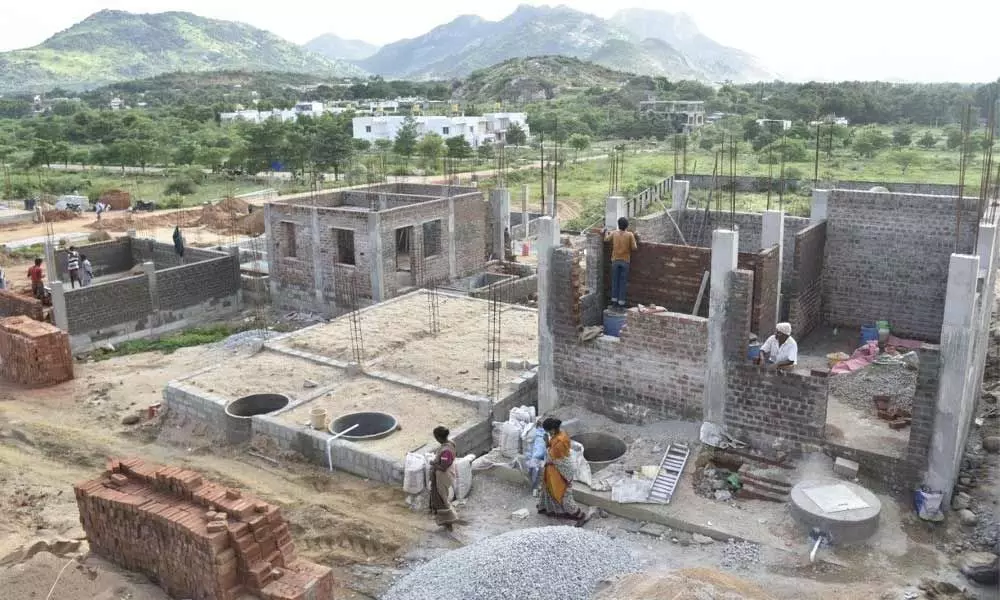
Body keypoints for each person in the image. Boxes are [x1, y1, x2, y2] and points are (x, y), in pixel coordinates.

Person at [537, 417, 591, 526]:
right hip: (555, 469)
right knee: (549, 490)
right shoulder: (560, 434)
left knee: (563, 494)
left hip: (562, 471)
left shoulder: (559, 442)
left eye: (548, 431)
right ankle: (549, 508)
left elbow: (550, 456)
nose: (548, 433)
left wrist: (546, 445)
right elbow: (551, 450)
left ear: (552, 430)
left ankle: (579, 515)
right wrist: (547, 442)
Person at [428, 426, 461, 532]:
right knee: (442, 498)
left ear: (439, 437)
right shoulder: (450, 443)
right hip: (446, 475)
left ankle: (449, 521)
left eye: (436, 437)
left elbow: (443, 467)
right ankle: (447, 521)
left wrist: (433, 463)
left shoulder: (446, 451)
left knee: (442, 499)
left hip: (443, 477)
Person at [603, 217, 638, 310]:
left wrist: (606, 232)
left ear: (618, 225)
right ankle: (621, 305)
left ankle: (614, 303)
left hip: (615, 261)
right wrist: (636, 236)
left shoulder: (614, 233)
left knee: (614, 282)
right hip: (625, 261)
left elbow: (606, 240)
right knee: (622, 283)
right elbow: (634, 248)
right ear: (627, 226)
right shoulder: (630, 235)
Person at [526, 418, 547, 497]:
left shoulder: (534, 432)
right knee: (539, 474)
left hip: (533, 456)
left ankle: (534, 488)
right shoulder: (544, 434)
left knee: (534, 472)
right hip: (539, 457)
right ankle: (537, 490)